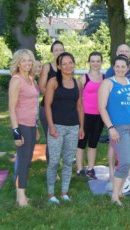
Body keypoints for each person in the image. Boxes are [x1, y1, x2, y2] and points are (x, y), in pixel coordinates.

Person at [98, 55, 130, 206]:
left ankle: (121, 191)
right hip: (119, 127)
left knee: (129, 160)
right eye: (117, 66)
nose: (120, 69)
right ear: (113, 67)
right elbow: (102, 108)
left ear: (128, 68)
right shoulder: (107, 83)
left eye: (123, 66)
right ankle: (115, 196)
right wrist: (110, 128)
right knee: (124, 161)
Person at [45, 52, 84, 204]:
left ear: (74, 64)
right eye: (64, 63)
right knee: (54, 161)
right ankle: (50, 193)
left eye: (70, 62)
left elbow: (80, 106)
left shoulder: (77, 83)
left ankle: (64, 192)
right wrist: (51, 126)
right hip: (57, 127)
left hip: (73, 127)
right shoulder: (53, 82)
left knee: (68, 161)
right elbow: (47, 105)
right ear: (59, 66)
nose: (68, 66)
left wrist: (81, 127)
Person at [8, 49, 39, 206]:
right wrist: (16, 132)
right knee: (23, 160)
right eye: (24, 60)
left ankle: (22, 195)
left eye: (30, 60)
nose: (27, 63)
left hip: (31, 125)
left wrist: (37, 127)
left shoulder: (31, 79)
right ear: (18, 62)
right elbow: (11, 108)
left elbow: (33, 105)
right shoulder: (16, 80)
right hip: (21, 125)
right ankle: (21, 198)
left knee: (27, 161)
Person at [104, 44, 130, 180]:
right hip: (115, 116)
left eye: (126, 51)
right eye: (121, 51)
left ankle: (127, 170)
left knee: (127, 144)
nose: (124, 53)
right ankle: (111, 170)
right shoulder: (112, 72)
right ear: (116, 53)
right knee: (114, 143)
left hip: (129, 115)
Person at [75, 52, 105, 179]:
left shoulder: (105, 78)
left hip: (100, 115)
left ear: (101, 62)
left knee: (93, 143)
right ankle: (80, 169)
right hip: (86, 115)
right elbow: (78, 99)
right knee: (82, 143)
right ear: (89, 62)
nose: (95, 63)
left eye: (98, 61)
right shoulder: (83, 79)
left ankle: (91, 169)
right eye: (93, 61)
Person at [38, 40, 65, 162]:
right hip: (47, 108)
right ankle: (52, 169)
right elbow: (41, 87)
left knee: (62, 139)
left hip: (62, 110)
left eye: (61, 49)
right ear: (52, 52)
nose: (59, 52)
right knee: (51, 138)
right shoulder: (47, 67)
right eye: (56, 50)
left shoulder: (67, 66)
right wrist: (55, 96)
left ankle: (61, 163)